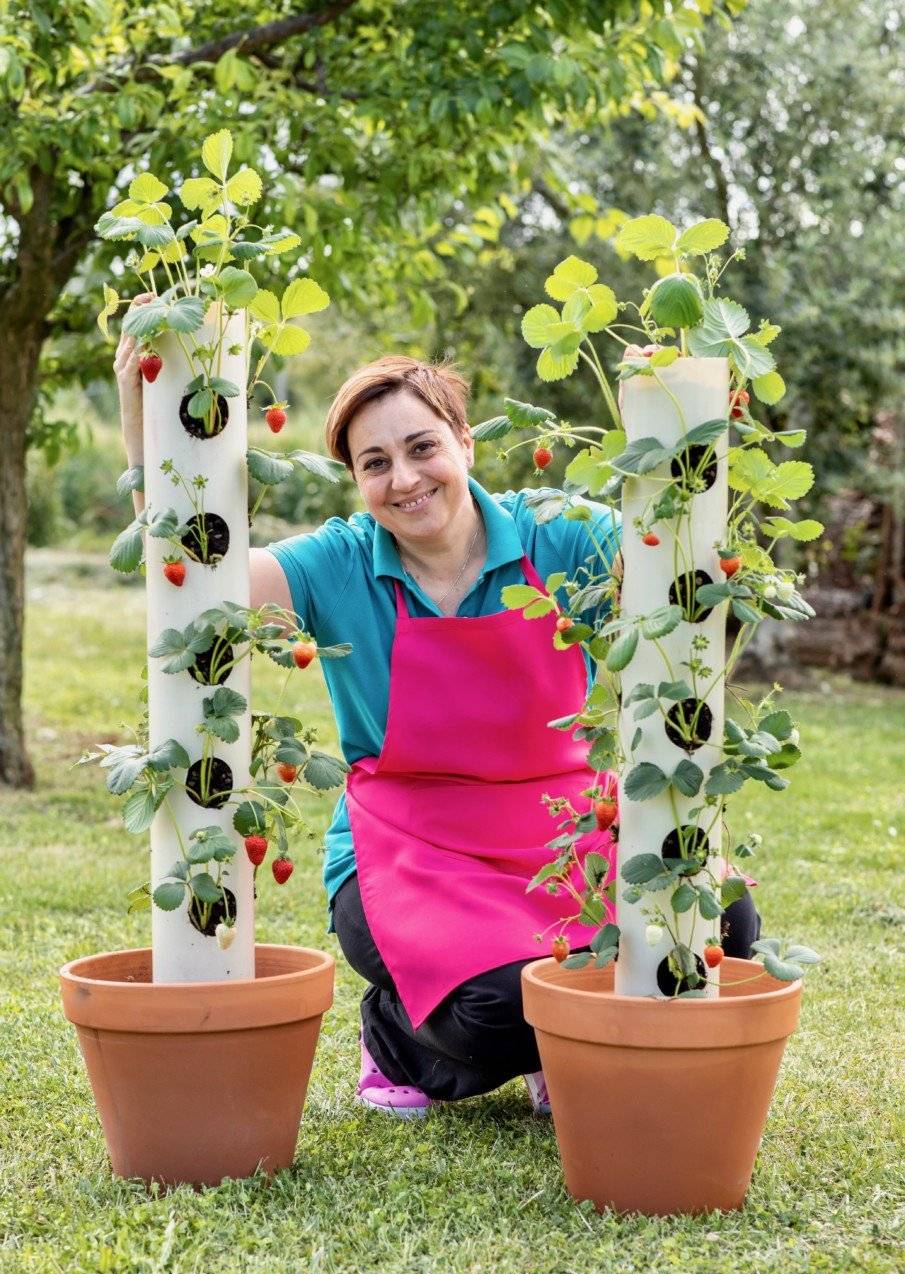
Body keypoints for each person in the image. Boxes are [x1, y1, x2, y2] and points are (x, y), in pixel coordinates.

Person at [116, 338, 761, 1119]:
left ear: (464, 440)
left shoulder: (563, 535)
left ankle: (565, 1037)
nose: (405, 478)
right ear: (356, 481)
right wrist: (143, 418)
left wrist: (692, 410)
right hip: (409, 849)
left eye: (422, 447)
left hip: (561, 827)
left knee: (719, 917)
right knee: (496, 1008)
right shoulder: (338, 562)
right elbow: (197, 589)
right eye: (375, 463)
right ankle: (396, 1036)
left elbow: (686, 574)